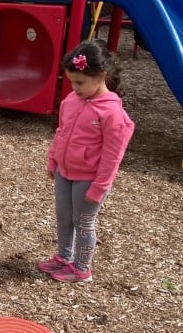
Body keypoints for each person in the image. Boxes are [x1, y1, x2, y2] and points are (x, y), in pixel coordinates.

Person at [38, 40, 135, 283]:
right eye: (71, 81)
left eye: (80, 82)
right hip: (65, 172)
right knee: (64, 217)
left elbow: (113, 155)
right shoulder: (71, 101)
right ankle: (63, 257)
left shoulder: (112, 113)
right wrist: (53, 161)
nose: (74, 87)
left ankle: (82, 268)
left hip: (89, 179)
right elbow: (61, 132)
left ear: (101, 76)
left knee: (83, 223)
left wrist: (100, 187)